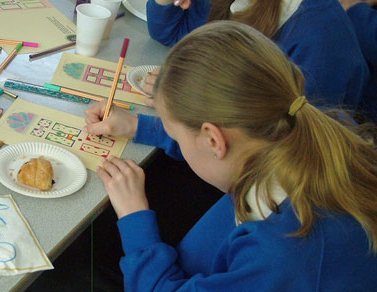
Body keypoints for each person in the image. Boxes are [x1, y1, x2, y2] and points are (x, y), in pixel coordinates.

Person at [85, 21, 377, 290]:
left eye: (176, 136)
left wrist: (134, 217)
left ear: (214, 139)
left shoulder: (279, 254)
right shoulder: (315, 132)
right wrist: (140, 126)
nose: (175, 139)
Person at [143, 0, 376, 122]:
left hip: (287, 182)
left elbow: (279, 142)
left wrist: (186, 96)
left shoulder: (320, 36)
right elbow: (173, 32)